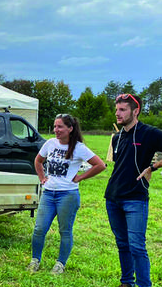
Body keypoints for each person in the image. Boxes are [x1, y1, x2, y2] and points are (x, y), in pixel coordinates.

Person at [102, 93, 162, 287]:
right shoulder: (117, 137)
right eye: (117, 109)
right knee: (122, 244)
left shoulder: (149, 133)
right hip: (113, 197)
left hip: (135, 198)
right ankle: (127, 285)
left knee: (137, 246)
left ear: (135, 111)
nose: (118, 113)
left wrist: (154, 167)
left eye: (122, 110)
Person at [27, 114, 106, 274]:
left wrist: (80, 177)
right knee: (39, 229)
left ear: (70, 129)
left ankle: (60, 264)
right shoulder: (50, 143)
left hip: (67, 195)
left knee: (65, 231)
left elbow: (100, 165)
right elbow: (38, 160)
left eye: (60, 127)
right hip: (48, 194)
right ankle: (35, 260)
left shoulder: (78, 147)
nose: (56, 130)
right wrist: (42, 177)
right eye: (55, 126)